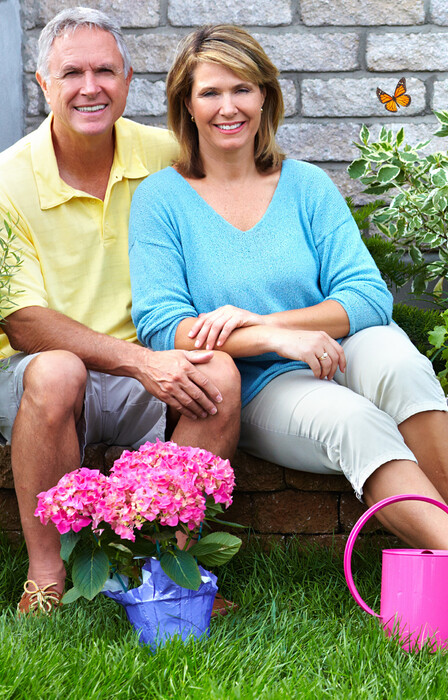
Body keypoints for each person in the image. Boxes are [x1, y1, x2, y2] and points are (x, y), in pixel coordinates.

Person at [128, 24, 448, 633]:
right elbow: (163, 326)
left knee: (399, 360)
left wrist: (271, 320)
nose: (229, 107)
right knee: (354, 421)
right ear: (185, 105)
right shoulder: (161, 200)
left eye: (244, 89)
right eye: (210, 93)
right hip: (256, 384)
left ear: (265, 99)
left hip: (330, 350)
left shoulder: (304, 185)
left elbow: (366, 297)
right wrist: (274, 340)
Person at [0, 8, 240, 615]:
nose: (90, 87)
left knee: (218, 375)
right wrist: (139, 361)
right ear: (42, 84)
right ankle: (48, 578)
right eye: (71, 72)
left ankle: (172, 574)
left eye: (105, 70)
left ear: (128, 81)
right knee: (57, 370)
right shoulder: (6, 182)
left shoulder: (166, 157)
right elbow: (21, 320)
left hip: (148, 373)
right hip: (43, 381)